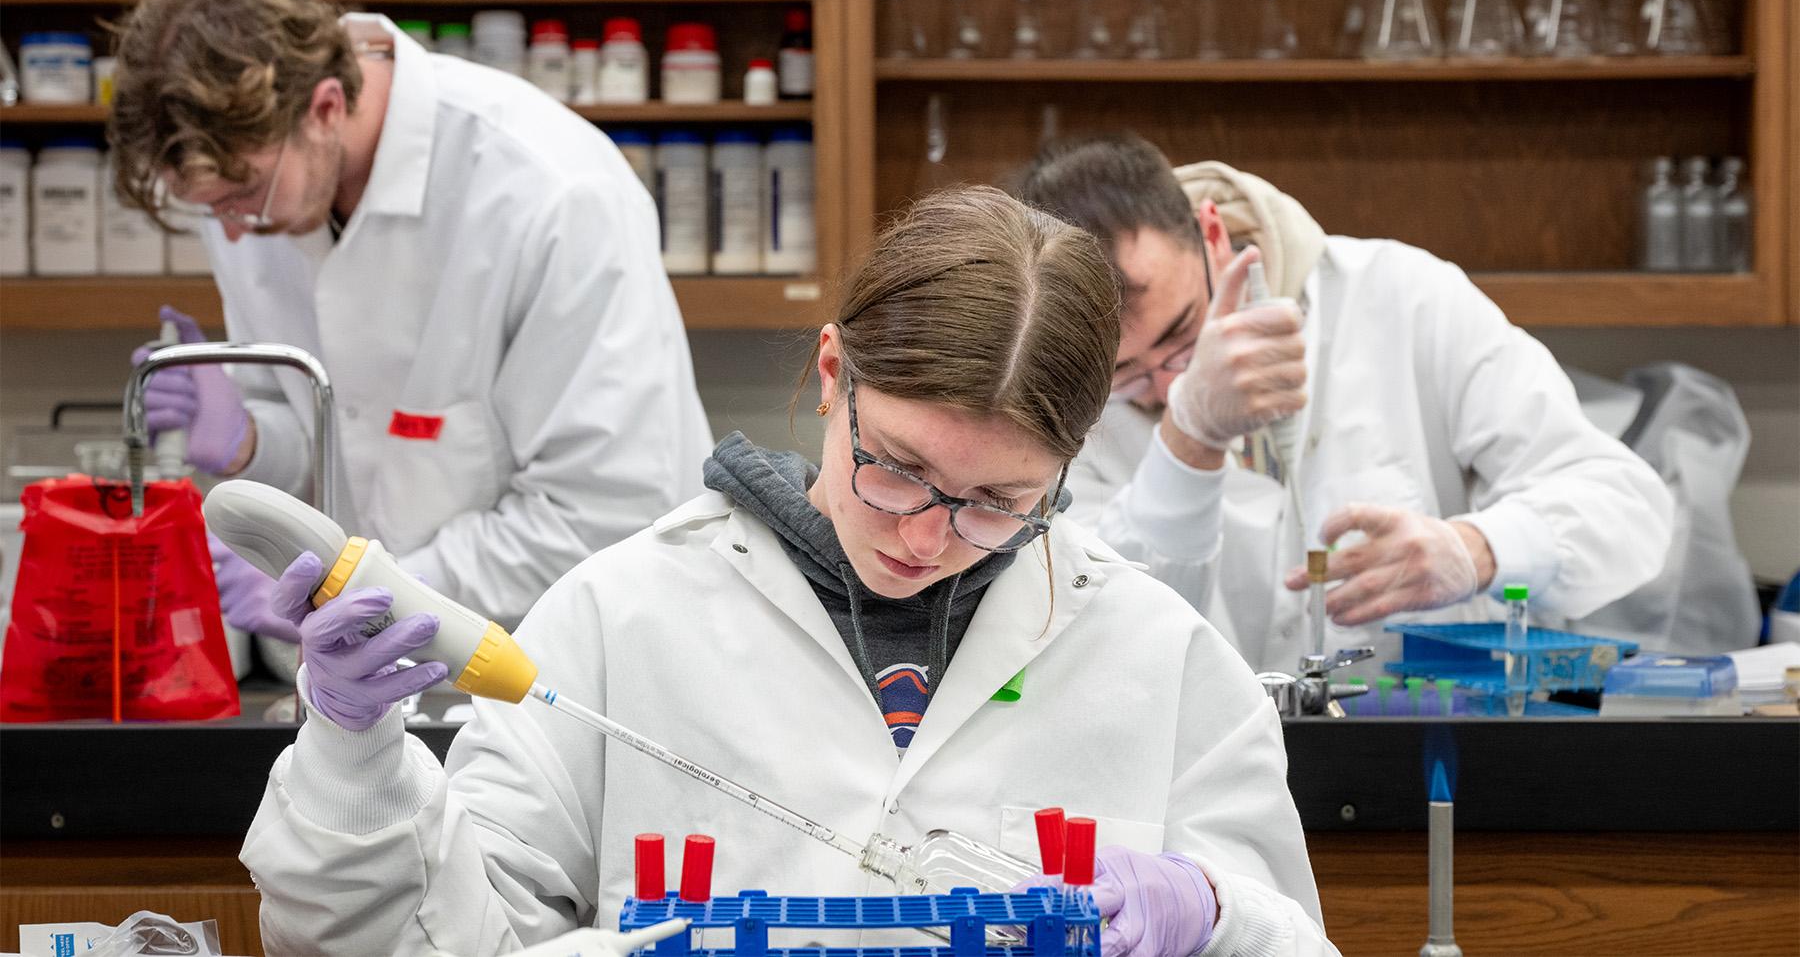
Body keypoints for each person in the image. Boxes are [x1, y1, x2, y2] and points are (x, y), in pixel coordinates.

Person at [238, 188, 1337, 956]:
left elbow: (1292, 944)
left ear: (1070, 465)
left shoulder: (1166, 661)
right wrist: (353, 759)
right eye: (898, 468)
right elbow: (417, 944)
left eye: (1000, 502)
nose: (926, 536)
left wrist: (1219, 914)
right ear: (830, 376)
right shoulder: (621, 620)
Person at [109, 0, 712, 630]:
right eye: (209, 209)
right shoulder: (259, 181)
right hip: (382, 677)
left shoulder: (552, 195)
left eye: (242, 196)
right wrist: (253, 441)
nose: (232, 231)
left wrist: (364, 596)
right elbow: (353, 445)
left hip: (575, 666)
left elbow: (602, 515)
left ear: (326, 108)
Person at [1017, 134, 1673, 672]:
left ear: (1211, 233)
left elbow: (1626, 507)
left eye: (1181, 335)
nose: (1165, 387)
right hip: (1183, 794)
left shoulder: (1405, 299)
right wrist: (1189, 437)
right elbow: (1092, 634)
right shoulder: (1058, 396)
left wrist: (1477, 549)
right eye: (1127, 377)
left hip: (1410, 764)